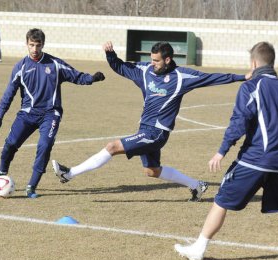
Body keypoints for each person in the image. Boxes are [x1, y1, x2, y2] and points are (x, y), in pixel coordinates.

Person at [52, 41, 251, 201]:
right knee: (152, 171)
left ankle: (69, 174)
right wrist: (110, 55)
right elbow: (122, 68)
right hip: (145, 129)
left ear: (167, 59)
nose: (152, 63)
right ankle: (197, 186)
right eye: (151, 59)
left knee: (112, 147)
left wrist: (242, 77)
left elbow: (213, 78)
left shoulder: (182, 77)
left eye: (156, 60)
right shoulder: (146, 71)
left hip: (156, 133)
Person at [174, 42, 278, 260]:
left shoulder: (251, 86)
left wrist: (221, 151)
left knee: (220, 200)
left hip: (254, 160)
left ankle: (198, 248)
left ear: (254, 63)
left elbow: (239, 121)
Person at [0, 28, 105, 198]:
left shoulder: (54, 64)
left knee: (45, 145)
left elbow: (76, 76)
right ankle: (1, 171)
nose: (35, 49)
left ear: (43, 45)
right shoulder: (20, 67)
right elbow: (9, 93)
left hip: (50, 114)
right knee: (10, 144)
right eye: (31, 45)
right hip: (27, 113)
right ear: (26, 44)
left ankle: (32, 186)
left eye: (38, 45)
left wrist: (92, 78)